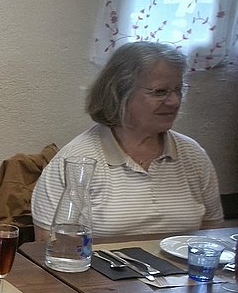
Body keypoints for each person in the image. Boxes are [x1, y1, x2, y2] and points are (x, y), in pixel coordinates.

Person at [31, 41, 223, 240]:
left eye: (178, 89)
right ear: (121, 92)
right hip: (99, 270)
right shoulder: (76, 160)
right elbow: (50, 246)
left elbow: (212, 234)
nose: (174, 101)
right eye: (160, 92)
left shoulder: (193, 155)